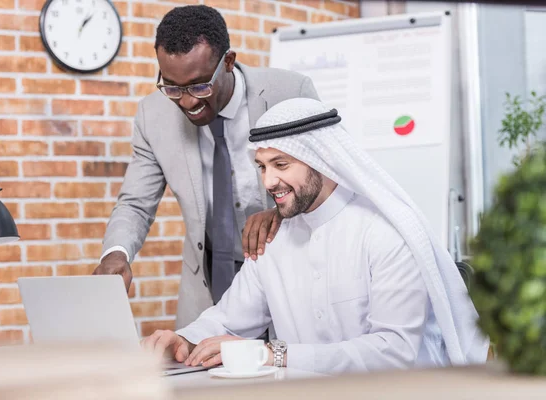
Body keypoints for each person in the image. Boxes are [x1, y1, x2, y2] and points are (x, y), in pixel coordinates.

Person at [142, 98, 489, 375]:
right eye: (262, 167)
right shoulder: (274, 238)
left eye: (281, 165)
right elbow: (231, 317)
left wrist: (272, 354)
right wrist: (185, 339)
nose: (268, 183)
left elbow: (392, 352)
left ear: (320, 160)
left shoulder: (384, 234)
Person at [92, 5, 320, 328]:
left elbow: (328, 181)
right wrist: (116, 252)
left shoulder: (291, 94)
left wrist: (281, 212)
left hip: (289, 279)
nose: (187, 101)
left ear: (228, 62)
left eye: (200, 86)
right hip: (206, 289)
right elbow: (135, 203)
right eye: (173, 87)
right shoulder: (152, 116)